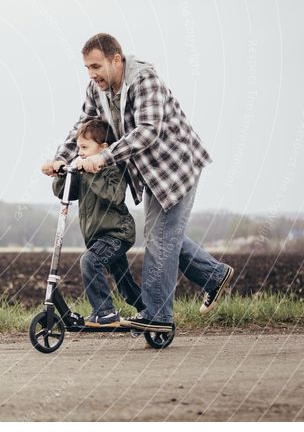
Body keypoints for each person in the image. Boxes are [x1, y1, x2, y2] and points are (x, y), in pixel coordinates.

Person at [42, 33, 235, 333]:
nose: (92, 75)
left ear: (115, 59)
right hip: (149, 172)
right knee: (163, 234)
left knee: (160, 238)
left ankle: (158, 318)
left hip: (176, 166)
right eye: (87, 69)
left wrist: (103, 159)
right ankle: (213, 275)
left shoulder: (145, 81)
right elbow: (82, 129)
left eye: (96, 66)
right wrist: (60, 160)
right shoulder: (97, 90)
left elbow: (147, 131)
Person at [52, 118, 145, 326]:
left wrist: (93, 172)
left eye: (85, 147)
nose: (80, 152)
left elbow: (114, 196)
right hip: (98, 236)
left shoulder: (113, 169)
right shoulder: (83, 170)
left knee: (90, 261)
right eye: (78, 148)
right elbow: (64, 192)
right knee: (123, 280)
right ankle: (147, 310)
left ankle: (105, 312)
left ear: (103, 148)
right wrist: (61, 173)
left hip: (118, 233)